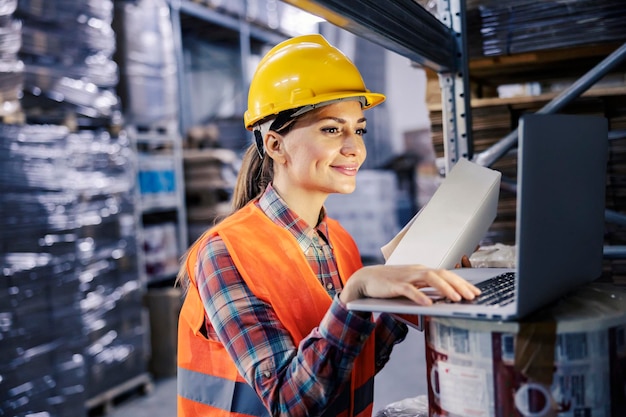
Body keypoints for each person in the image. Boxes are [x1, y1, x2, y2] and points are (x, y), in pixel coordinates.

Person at [176, 34, 480, 417]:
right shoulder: (224, 253)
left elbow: (350, 366)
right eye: (332, 129)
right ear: (274, 145)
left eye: (360, 128)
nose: (355, 147)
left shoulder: (339, 242)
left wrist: (412, 291)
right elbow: (290, 401)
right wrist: (354, 298)